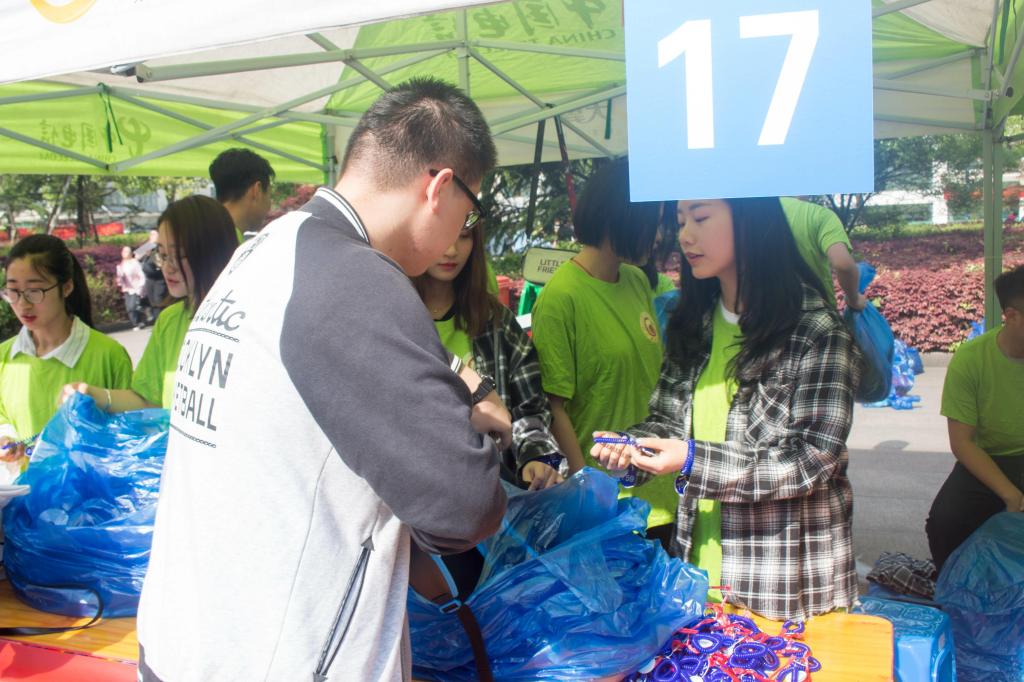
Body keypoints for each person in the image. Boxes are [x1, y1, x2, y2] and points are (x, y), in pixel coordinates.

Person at [134, 78, 507, 681]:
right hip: (279, 660)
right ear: (439, 189)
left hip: (188, 640)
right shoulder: (356, 280)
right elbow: (463, 506)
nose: (460, 233)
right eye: (469, 213)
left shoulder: (268, 249)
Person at [592, 197, 859, 621]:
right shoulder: (692, 320)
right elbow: (667, 418)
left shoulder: (816, 330)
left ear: (750, 220)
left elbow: (811, 459)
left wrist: (693, 460)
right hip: (699, 568)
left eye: (700, 217)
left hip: (783, 579)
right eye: (680, 221)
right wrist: (631, 449)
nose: (685, 235)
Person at [530, 158, 676, 546]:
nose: (658, 235)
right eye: (652, 221)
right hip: (606, 504)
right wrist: (585, 489)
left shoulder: (637, 281)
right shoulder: (561, 298)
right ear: (620, 215)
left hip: (660, 491)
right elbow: (554, 407)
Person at [413, 217, 565, 491]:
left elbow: (530, 409)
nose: (452, 250)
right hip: (416, 493)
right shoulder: (393, 320)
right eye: (442, 233)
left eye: (464, 236)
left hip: (492, 495)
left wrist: (537, 458)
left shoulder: (495, 320)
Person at [63, 195, 239, 411]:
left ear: (212, 251)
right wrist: (93, 395)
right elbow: (147, 399)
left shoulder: (245, 321)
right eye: (162, 255)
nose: (168, 267)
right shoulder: (170, 320)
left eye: (179, 255)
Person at [926, 265, 1024, 572]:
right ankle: (956, 587)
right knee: (945, 521)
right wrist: (1011, 494)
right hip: (988, 458)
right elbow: (962, 443)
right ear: (1011, 316)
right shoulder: (971, 360)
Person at [0, 235, 132, 461]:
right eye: (13, 291)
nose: (22, 303)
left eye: (34, 291)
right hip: (19, 483)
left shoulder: (109, 355)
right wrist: (5, 437)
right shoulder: (4, 357)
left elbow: (129, 431)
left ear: (67, 286)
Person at [781, 198, 867, 310]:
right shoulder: (819, 215)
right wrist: (854, 300)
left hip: (767, 312)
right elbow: (843, 265)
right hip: (817, 310)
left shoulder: (761, 214)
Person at [209, 147, 275, 240]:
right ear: (257, 191)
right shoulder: (231, 242)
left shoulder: (202, 232)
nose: (270, 206)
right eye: (269, 195)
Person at [137, 229, 168, 324]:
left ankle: (161, 319)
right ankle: (156, 321)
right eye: (151, 235)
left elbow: (162, 261)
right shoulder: (147, 246)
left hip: (159, 277)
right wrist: (147, 248)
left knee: (158, 299)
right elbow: (137, 256)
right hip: (149, 278)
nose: (152, 236)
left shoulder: (161, 246)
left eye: (155, 235)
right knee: (152, 300)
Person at [115, 246, 146, 329]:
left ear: (131, 253)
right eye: (124, 251)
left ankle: (139, 322)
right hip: (127, 289)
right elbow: (119, 279)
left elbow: (141, 275)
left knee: (132, 306)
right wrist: (119, 280)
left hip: (136, 288)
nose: (125, 253)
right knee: (129, 308)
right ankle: (136, 323)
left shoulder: (134, 263)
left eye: (127, 251)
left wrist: (141, 286)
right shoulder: (121, 265)